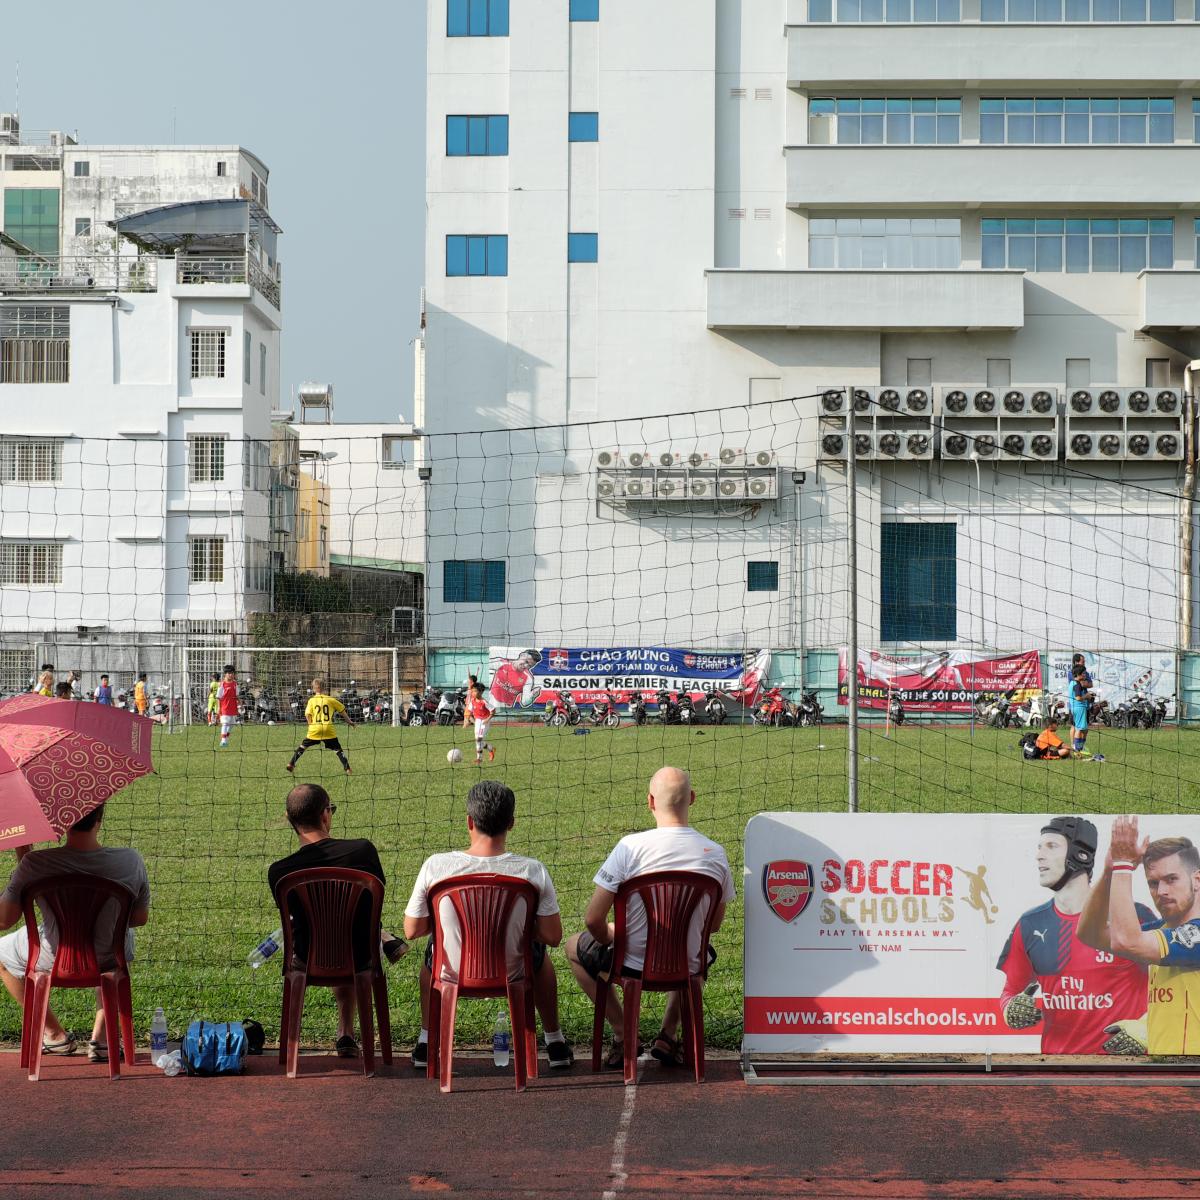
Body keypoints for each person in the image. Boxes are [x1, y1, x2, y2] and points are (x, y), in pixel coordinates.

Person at [565, 766, 734, 1069]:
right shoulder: (716, 854)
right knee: (697, 949)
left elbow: (593, 920)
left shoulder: (629, 847)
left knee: (571, 947)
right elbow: (715, 925)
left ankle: (622, 1032)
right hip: (686, 961)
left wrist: (613, 934)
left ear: (650, 802)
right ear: (692, 799)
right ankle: (668, 1036)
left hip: (631, 963)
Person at [403, 779, 573, 1072]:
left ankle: (427, 1040)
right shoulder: (532, 870)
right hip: (515, 970)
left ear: (469, 821)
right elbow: (553, 936)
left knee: (432, 954)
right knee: (541, 955)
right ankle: (554, 1040)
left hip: (453, 971)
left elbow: (412, 930)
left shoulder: (436, 866)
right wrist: (518, 926)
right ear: (512, 823)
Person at [0, 805, 151, 1062]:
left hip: (51, 956)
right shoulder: (130, 860)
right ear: (100, 819)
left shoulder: (35, 863)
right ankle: (103, 1040)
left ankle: (53, 1035)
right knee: (120, 942)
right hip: (107, 956)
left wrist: (23, 858)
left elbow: (5, 920)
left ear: (60, 821)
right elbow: (138, 919)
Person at [268, 784, 407, 1059]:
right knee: (348, 929)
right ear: (325, 815)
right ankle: (384, 938)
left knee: (327, 931)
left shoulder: (279, 872)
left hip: (307, 958)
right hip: (359, 954)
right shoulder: (363, 851)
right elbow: (371, 905)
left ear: (288, 819)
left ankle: (344, 1030)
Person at [997, 818, 1150, 1054]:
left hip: (1124, 1074)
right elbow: (1009, 992)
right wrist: (1011, 1009)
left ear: (1081, 855)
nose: (1039, 855)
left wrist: (1147, 1027)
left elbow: (1174, 991)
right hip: (1057, 1074)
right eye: (1039, 847)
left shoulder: (1136, 916)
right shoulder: (1029, 924)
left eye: (1051, 846)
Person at [1080, 818, 1200, 1056]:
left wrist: (1124, 865)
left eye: (1171, 879)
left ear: (1197, 880)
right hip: (1170, 1072)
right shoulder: (1164, 930)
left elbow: (1127, 940)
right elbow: (1090, 934)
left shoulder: (1195, 936)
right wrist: (1109, 871)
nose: (1162, 891)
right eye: (1153, 883)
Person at [286, 678, 354, 775]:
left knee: (303, 746)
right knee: (338, 749)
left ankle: (291, 763)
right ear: (324, 688)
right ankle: (347, 769)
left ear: (313, 689)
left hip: (315, 728)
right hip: (328, 728)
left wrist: (310, 725)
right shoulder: (331, 699)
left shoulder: (312, 700)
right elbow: (342, 710)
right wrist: (350, 722)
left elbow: (307, 714)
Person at [467, 682, 495, 765]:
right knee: (478, 740)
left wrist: (487, 719)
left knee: (478, 739)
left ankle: (479, 759)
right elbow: (469, 712)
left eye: (475, 691)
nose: (473, 693)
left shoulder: (484, 702)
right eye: (472, 691)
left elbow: (493, 711)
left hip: (484, 722)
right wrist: (472, 720)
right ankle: (491, 749)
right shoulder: (472, 701)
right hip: (478, 721)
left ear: (481, 692)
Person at [1069, 663, 1093, 757]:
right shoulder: (1077, 685)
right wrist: (1086, 696)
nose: (1084, 675)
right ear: (1077, 675)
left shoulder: (1072, 683)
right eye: (1083, 673)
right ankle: (1077, 750)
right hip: (1079, 708)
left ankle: (1080, 747)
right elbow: (1078, 697)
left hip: (1074, 708)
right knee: (1079, 729)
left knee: (1084, 729)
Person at [216, 666, 239, 748]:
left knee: (232, 724)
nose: (231, 675)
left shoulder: (235, 683)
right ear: (225, 674)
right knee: (225, 723)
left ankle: (225, 737)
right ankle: (223, 741)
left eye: (232, 673)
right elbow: (218, 697)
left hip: (233, 706)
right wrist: (219, 707)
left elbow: (237, 695)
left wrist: (240, 704)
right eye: (229, 673)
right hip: (224, 706)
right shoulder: (222, 684)